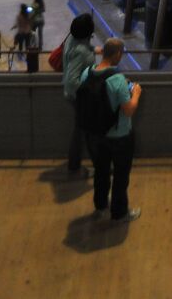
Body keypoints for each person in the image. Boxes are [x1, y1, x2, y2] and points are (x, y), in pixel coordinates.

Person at [80, 37, 142, 224]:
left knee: (101, 172)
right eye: (121, 53)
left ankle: (100, 207)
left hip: (96, 134)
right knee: (121, 176)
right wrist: (136, 93)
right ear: (116, 54)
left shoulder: (87, 73)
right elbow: (128, 109)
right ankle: (119, 213)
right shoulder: (117, 80)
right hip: (120, 137)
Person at [63, 13, 100, 177]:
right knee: (84, 133)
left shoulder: (71, 39)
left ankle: (96, 165)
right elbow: (72, 80)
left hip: (77, 97)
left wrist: (92, 49)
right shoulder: (81, 52)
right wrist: (88, 91)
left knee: (85, 131)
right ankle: (75, 168)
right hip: (81, 98)